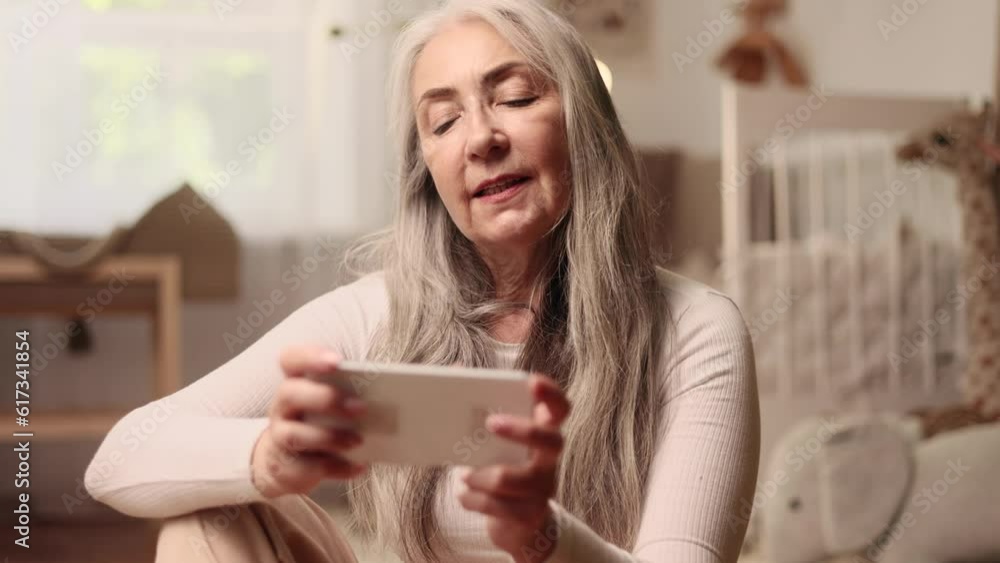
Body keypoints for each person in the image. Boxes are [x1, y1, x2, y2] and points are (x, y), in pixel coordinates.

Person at [84, 1, 760, 561]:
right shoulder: (375, 312)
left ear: (584, 120)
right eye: (443, 120)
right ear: (428, 173)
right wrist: (264, 457)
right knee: (204, 519)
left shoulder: (697, 328)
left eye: (516, 96)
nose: (480, 138)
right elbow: (117, 460)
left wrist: (543, 536)